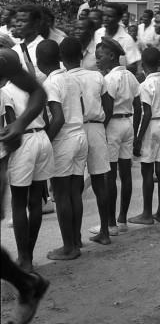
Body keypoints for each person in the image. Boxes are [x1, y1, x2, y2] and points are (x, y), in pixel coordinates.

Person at [0, 48, 50, 324]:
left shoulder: (2, 58)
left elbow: (38, 93)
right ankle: (27, 284)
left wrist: (20, 123)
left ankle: (26, 284)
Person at [37, 40, 88, 261]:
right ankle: (75, 240)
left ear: (39, 63)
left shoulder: (50, 84)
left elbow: (58, 118)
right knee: (74, 192)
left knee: (61, 194)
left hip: (64, 139)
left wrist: (45, 142)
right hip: (80, 136)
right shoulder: (71, 78)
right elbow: (82, 109)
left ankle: (68, 247)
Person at [61, 38, 111, 246]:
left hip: (74, 130)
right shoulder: (96, 76)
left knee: (74, 186)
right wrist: (100, 125)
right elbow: (109, 105)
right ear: (82, 56)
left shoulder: (62, 79)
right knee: (101, 183)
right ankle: (105, 231)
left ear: (61, 59)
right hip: (96, 127)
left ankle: (76, 238)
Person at [4, 69, 53, 271]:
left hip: (22, 141)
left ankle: (24, 259)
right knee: (35, 202)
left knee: (18, 202)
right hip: (42, 138)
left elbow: (9, 121)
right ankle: (29, 256)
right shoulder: (33, 88)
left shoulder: (5, 91)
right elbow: (47, 118)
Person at [94, 38, 141, 235]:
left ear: (112, 56)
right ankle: (122, 219)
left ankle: (110, 223)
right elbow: (138, 107)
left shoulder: (110, 79)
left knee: (109, 176)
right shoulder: (130, 76)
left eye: (100, 57)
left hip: (112, 125)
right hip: (128, 124)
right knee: (126, 173)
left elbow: (107, 107)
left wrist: (101, 131)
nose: (97, 61)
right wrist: (136, 132)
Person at [130, 47, 160, 225]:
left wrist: (138, 138)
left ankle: (147, 214)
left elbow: (146, 113)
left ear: (142, 65)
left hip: (151, 126)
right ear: (158, 64)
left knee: (147, 170)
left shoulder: (145, 85)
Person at [93, 3, 141, 72]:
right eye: (104, 15)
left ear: (118, 18)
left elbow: (133, 66)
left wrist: (114, 72)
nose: (105, 18)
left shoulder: (127, 39)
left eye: (110, 16)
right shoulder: (98, 33)